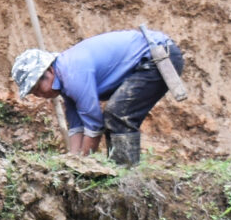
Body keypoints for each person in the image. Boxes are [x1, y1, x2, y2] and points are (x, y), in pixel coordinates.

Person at [10, 27, 186, 165]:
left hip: (158, 56)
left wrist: (84, 166)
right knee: (116, 114)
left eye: (38, 87)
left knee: (117, 114)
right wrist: (72, 160)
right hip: (149, 58)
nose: (40, 95)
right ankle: (119, 168)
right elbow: (77, 125)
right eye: (34, 93)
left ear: (49, 70)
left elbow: (94, 127)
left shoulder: (72, 73)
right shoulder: (65, 79)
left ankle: (125, 172)